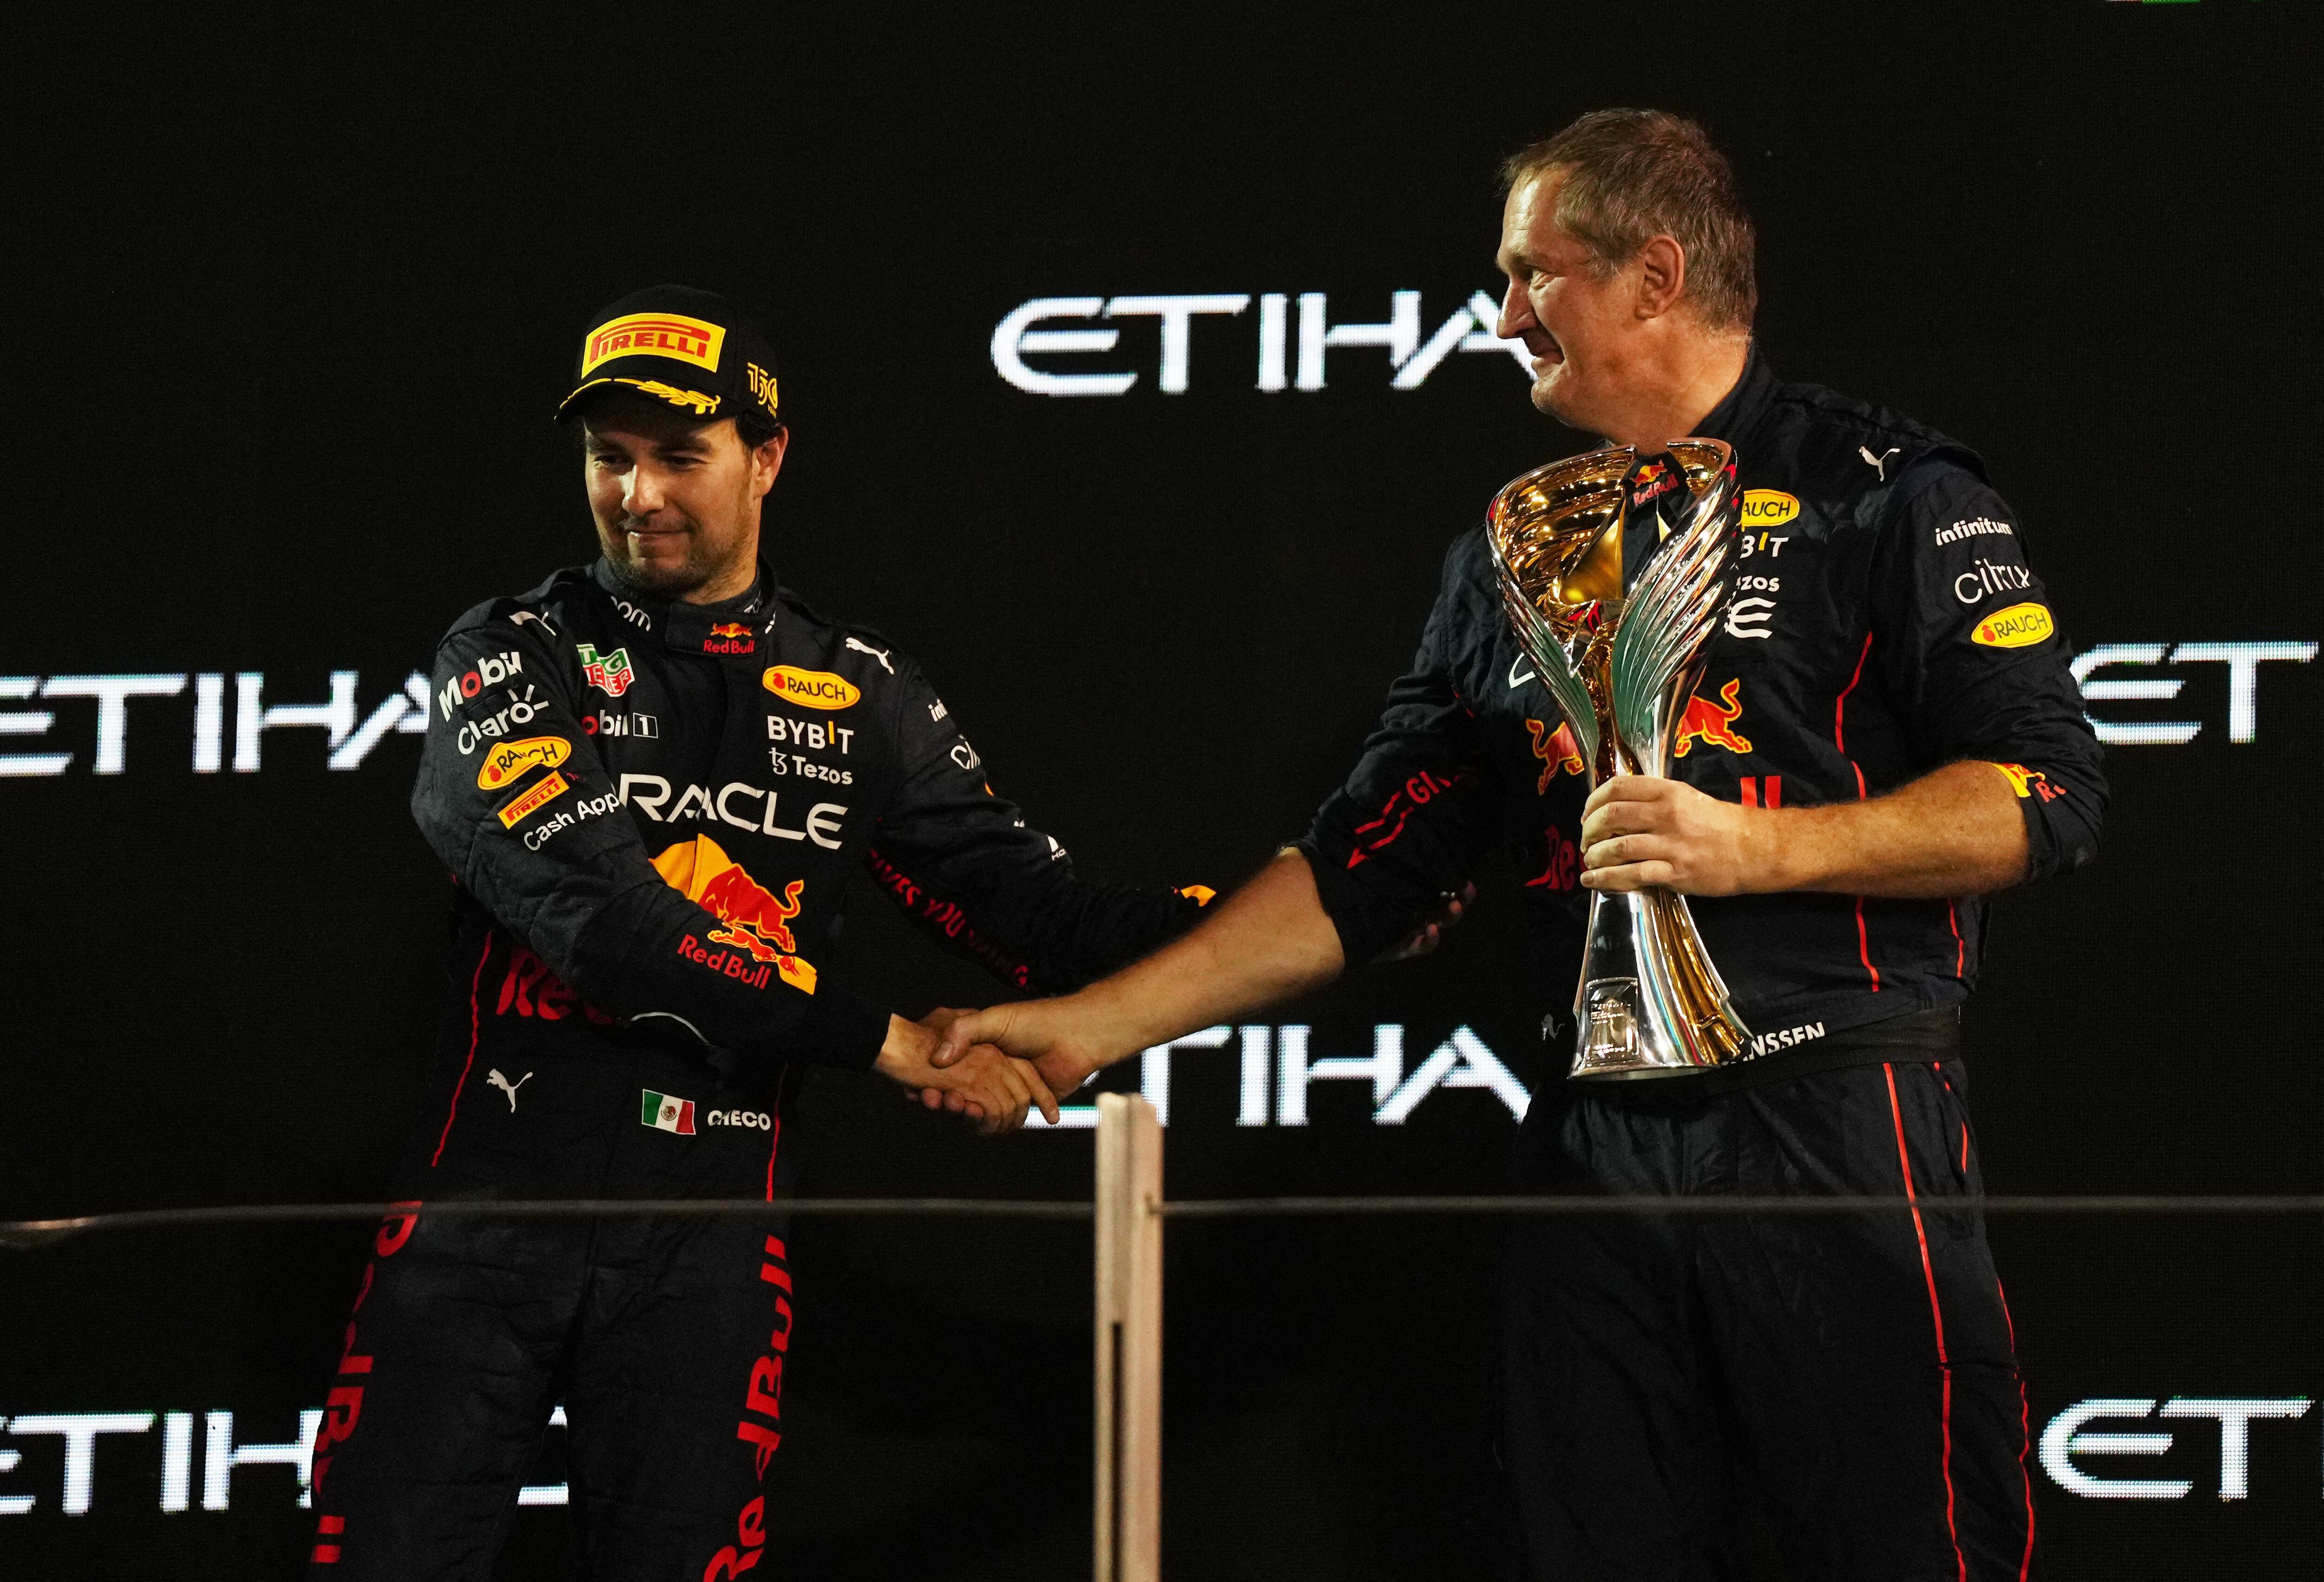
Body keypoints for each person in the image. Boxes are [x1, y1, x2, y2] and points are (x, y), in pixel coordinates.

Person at [931, 111, 2105, 1580]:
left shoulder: (1894, 493)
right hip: (1594, 1136)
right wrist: (1087, 1030)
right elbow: (1371, 862)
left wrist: (1756, 851)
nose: (1497, 319)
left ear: (1655, 274)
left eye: (1529, 276)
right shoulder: (1510, 548)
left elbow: (2044, 792)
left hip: (1833, 1115)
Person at [305, 285, 1212, 1578]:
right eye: (607, 459)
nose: (637, 495)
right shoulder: (510, 649)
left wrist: (1287, 915)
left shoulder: (856, 690)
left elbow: (1036, 914)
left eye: (679, 456)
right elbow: (603, 919)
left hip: (711, 1241)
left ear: (767, 456)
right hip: (483, 1212)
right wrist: (888, 1040)